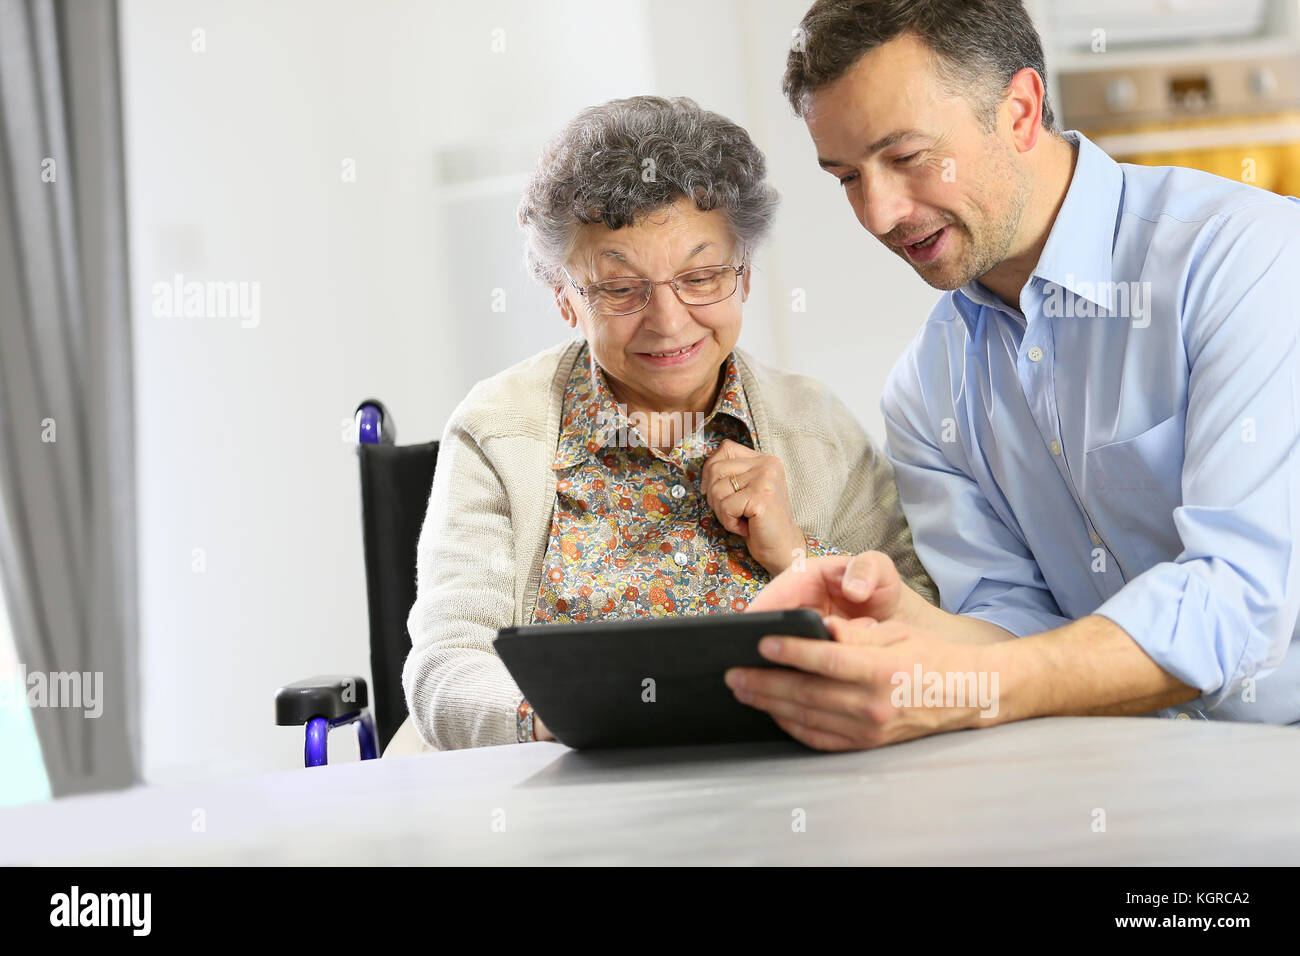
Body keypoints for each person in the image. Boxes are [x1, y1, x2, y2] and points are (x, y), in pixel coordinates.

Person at [726, 0, 1300, 750]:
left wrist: (961, 690)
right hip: (1129, 775)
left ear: (1021, 110)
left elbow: (1243, 601)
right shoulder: (924, 388)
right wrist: (904, 630)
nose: (879, 213)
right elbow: (1014, 621)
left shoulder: (1244, 260)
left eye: (906, 158)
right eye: (847, 177)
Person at [401, 95, 935, 751]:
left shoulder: (813, 426)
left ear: (742, 274)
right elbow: (446, 667)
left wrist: (794, 552)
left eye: (702, 276)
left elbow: (921, 637)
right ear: (564, 297)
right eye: (621, 289)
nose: (669, 320)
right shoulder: (499, 427)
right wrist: (570, 719)